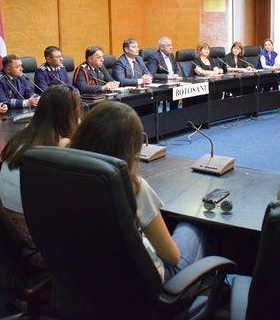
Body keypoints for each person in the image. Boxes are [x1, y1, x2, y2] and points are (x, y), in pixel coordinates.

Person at [70, 101, 205, 283]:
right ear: (131, 147)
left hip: (81, 276)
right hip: (141, 283)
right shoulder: (133, 186)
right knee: (194, 227)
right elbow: (172, 257)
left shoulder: (62, 174)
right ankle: (209, 289)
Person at [0, 85, 82, 240]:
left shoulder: (23, 135)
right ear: (70, 115)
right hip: (32, 232)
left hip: (5, 225)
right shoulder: (62, 144)